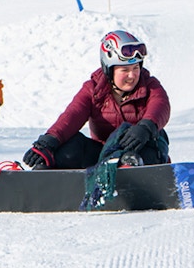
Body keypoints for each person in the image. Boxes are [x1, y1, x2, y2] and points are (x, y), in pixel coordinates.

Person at [22, 30, 171, 170]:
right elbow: (73, 115)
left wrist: (145, 128)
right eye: (125, 70)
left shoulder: (150, 85)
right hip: (103, 153)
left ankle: (132, 175)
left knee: (137, 151)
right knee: (69, 149)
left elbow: (160, 105)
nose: (132, 76)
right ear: (109, 70)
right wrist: (49, 141)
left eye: (135, 68)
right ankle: (47, 179)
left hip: (141, 152)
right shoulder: (94, 89)